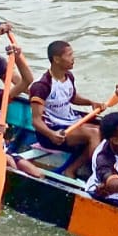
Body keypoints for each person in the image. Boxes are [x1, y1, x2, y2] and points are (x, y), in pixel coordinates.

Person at [26, 40, 104, 178]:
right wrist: (51, 135)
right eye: (69, 55)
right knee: (93, 133)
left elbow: (72, 97)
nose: (73, 59)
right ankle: (99, 176)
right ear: (56, 59)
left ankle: (70, 170)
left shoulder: (68, 76)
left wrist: (91, 102)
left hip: (70, 122)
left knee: (103, 129)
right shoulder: (41, 86)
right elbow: (36, 121)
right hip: (51, 133)